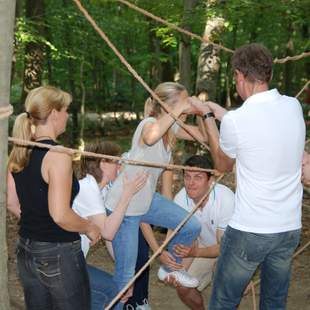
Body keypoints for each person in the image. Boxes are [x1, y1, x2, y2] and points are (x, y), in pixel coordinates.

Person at [190, 43, 305, 309]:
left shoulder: (237, 121)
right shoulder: (293, 106)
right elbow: (262, 127)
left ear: (240, 75)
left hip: (250, 230)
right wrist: (224, 114)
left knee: (223, 302)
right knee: (274, 302)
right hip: (288, 227)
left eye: (235, 78)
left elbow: (222, 164)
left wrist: (208, 115)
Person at [104, 82, 203, 308]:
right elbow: (150, 138)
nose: (186, 106)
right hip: (125, 206)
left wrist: (201, 112)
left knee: (190, 225)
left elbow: (203, 137)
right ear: (167, 106)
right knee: (126, 277)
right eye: (183, 101)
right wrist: (180, 109)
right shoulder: (149, 124)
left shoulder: (173, 129)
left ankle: (171, 268)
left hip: (146, 201)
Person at [7, 86, 101, 310]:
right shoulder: (58, 155)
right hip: (58, 251)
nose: (68, 115)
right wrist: (89, 227)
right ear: (55, 113)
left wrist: (37, 224)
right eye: (66, 109)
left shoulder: (20, 151)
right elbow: (60, 215)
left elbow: (12, 203)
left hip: (26, 250)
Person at [72, 141, 147, 310]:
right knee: (111, 292)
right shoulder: (87, 187)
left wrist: (125, 272)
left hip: (75, 261)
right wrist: (127, 195)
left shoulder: (103, 190)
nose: (120, 166)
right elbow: (108, 232)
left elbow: (108, 238)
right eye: (116, 161)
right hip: (64, 262)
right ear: (103, 163)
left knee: (111, 291)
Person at [172, 155, 235, 310]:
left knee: (222, 278)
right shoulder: (180, 200)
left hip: (232, 251)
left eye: (198, 177)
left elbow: (224, 248)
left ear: (210, 180)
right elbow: (188, 242)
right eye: (187, 177)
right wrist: (178, 270)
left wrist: (196, 252)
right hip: (202, 247)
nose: (191, 183)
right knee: (182, 286)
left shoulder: (225, 198)